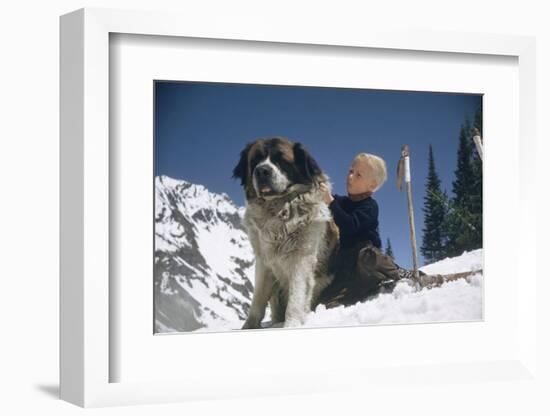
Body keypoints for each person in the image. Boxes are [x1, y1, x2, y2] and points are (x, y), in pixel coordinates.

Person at [319, 152, 411, 307]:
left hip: (365, 255)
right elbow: (332, 199)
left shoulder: (369, 206)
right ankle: (362, 290)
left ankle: (399, 273)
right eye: (350, 171)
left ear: (372, 185)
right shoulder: (343, 202)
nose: (350, 176)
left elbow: (350, 225)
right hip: (347, 263)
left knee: (368, 258)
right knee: (324, 302)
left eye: (358, 175)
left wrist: (330, 202)